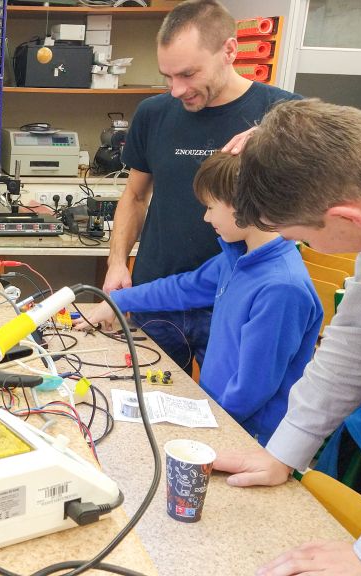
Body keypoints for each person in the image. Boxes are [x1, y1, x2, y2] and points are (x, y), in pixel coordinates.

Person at [214, 99, 361, 576]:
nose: (305, 249)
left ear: (347, 217)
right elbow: (358, 340)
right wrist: (282, 452)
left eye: (305, 238)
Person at [104, 0, 300, 372]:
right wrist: (117, 263)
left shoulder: (283, 115)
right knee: (145, 396)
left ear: (230, 50)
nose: (177, 89)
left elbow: (338, 167)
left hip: (236, 299)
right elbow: (135, 195)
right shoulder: (153, 113)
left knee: (228, 404)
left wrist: (276, 135)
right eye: (167, 76)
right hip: (159, 295)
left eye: (188, 74)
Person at [78, 152, 322, 445]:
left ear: (240, 204)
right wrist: (118, 301)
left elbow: (253, 388)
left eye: (210, 207)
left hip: (245, 437)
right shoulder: (238, 258)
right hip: (217, 416)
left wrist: (208, 430)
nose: (206, 217)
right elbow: (183, 288)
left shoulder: (282, 288)